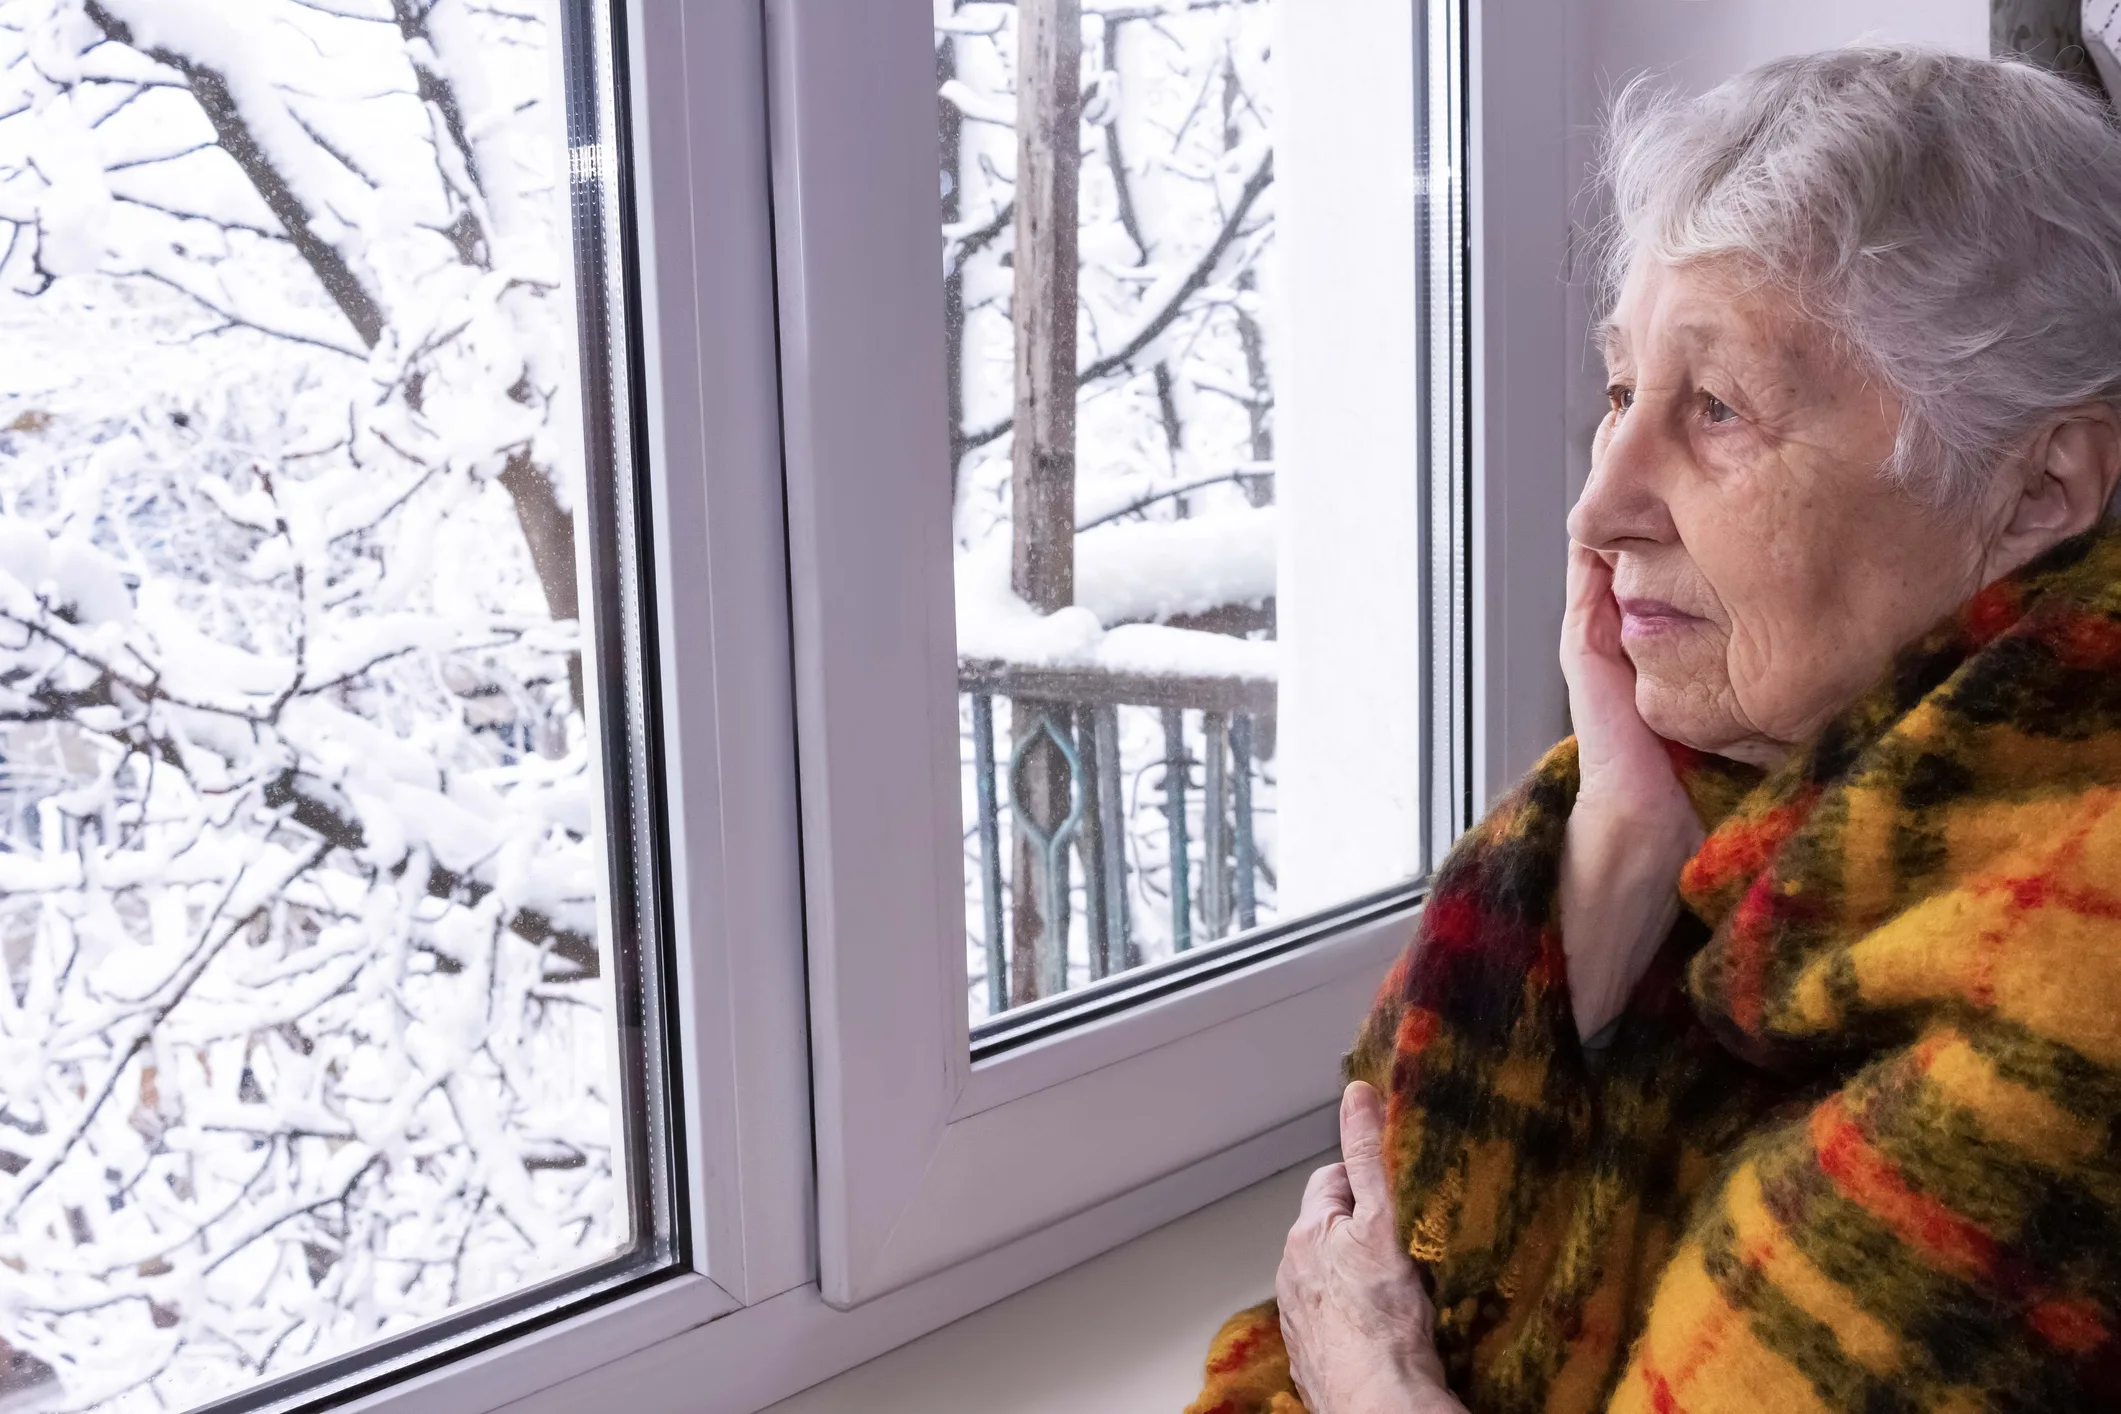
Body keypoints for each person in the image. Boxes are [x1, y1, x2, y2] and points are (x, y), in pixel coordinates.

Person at [1188, 46, 2121, 1414]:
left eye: (1720, 408)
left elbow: (1348, 1327)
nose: (1599, 504)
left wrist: (1374, 1380)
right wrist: (1613, 859)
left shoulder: (2067, 986)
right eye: (1621, 393)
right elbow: (1330, 1287)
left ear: (2043, 487)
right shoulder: (1712, 793)